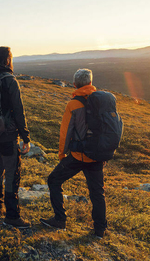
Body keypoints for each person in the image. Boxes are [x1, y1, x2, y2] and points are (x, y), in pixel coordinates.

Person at [40, 68, 108, 238]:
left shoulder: (73, 104)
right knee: (97, 193)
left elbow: (66, 132)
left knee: (54, 180)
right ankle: (100, 230)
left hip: (78, 156)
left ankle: (60, 220)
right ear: (91, 83)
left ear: (75, 84)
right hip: (97, 156)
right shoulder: (102, 102)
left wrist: (62, 154)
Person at [0, 46, 31, 228]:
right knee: (12, 174)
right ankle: (12, 216)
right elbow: (18, 111)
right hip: (8, 135)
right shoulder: (10, 80)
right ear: (7, 60)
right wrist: (25, 136)